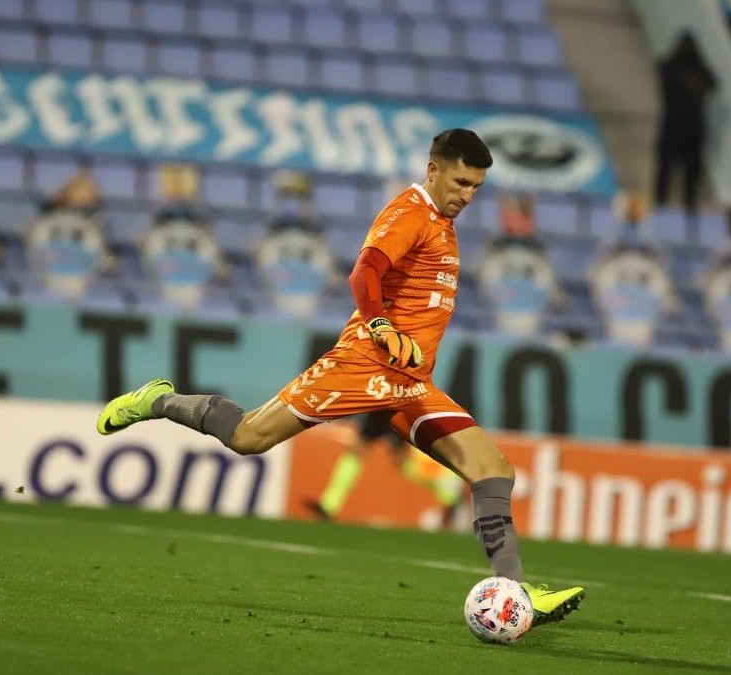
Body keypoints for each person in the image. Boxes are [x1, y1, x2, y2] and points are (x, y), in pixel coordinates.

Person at [95, 129, 585, 626]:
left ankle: (516, 591)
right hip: (363, 367)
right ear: (433, 169)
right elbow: (364, 271)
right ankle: (158, 400)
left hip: (409, 383)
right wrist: (381, 326)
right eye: (461, 182)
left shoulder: (442, 222)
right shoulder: (410, 212)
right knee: (248, 437)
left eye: (477, 187)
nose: (468, 195)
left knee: (493, 470)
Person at [303, 413, 464, 525]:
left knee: (402, 461)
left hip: (398, 407)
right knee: (356, 449)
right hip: (380, 406)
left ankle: (448, 488)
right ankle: (329, 505)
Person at [654, 31, 716, 222]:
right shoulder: (671, 66)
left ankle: (690, 211)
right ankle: (659, 207)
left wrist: (695, 82)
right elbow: (665, 74)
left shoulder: (699, 68)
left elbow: (712, 84)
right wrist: (689, 83)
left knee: (691, 174)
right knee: (665, 171)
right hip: (671, 126)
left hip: (693, 128)